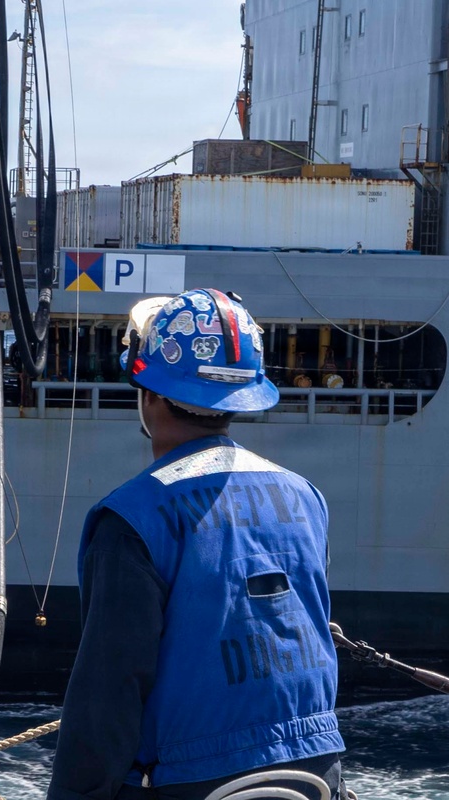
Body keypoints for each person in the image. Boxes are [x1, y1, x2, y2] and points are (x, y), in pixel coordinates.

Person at [48, 289, 346, 800]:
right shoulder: (306, 497)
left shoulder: (131, 519)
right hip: (315, 773)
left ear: (149, 392)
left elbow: (108, 695)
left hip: (188, 782)